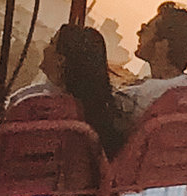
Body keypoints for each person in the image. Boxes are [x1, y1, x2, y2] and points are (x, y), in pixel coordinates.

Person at [12, 22, 128, 157]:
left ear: (60, 60)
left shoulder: (36, 105)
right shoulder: (86, 117)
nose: (44, 49)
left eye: (51, 43)